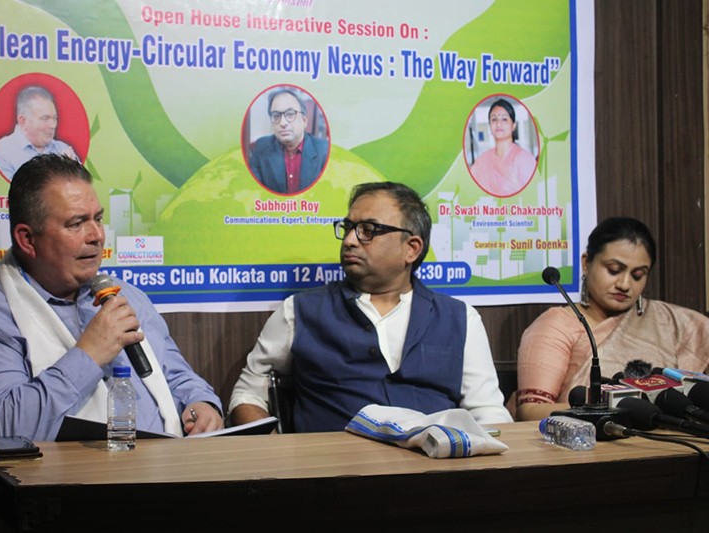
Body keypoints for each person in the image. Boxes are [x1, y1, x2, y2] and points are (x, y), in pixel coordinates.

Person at [0, 154, 223, 442]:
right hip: (74, 471)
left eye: (98, 219)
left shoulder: (125, 296)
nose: (96, 235)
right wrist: (89, 355)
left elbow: (176, 375)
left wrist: (201, 404)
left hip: (169, 463)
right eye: (76, 224)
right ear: (27, 240)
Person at [229, 181, 512, 431]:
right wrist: (272, 448)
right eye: (348, 228)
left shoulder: (460, 318)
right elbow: (248, 393)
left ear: (411, 248)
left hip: (436, 467)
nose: (350, 240)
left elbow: (487, 412)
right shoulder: (299, 312)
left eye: (368, 230)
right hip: (332, 469)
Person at [515, 216, 709, 421]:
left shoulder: (671, 322)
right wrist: (617, 406)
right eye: (614, 270)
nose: (624, 284)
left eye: (637, 275)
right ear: (586, 263)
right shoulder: (557, 325)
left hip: (669, 434)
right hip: (587, 438)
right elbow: (530, 412)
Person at [248, 87, 329, 195]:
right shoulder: (261, 148)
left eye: (290, 114)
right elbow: (253, 192)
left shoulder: (325, 151)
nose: (282, 123)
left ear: (304, 121)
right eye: (276, 116)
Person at [0, 86, 80, 180]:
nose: (53, 125)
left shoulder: (63, 148)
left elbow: (82, 184)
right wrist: (59, 168)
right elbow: (12, 188)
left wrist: (72, 168)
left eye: (55, 118)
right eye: (45, 118)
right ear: (23, 121)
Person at [469, 98, 537, 197]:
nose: (498, 124)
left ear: (514, 125)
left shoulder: (525, 159)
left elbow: (533, 194)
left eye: (504, 119)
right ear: (489, 125)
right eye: (494, 119)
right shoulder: (481, 161)